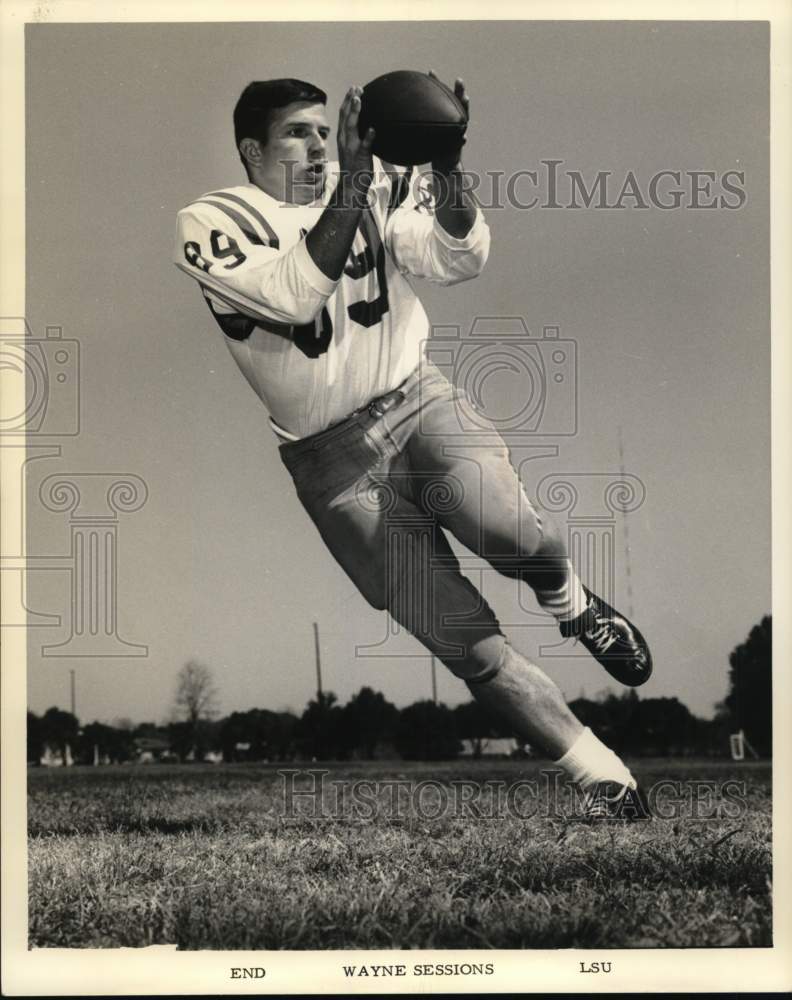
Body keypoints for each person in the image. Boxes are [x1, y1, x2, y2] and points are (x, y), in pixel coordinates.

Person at [174, 76, 652, 819]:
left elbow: (456, 257)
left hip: (414, 399)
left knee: (512, 534)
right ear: (251, 150)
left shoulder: (368, 180)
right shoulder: (212, 220)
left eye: (320, 130)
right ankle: (602, 775)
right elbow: (296, 296)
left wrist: (449, 172)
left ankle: (571, 603)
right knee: (462, 636)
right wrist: (360, 179)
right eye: (296, 133)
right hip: (329, 460)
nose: (317, 144)